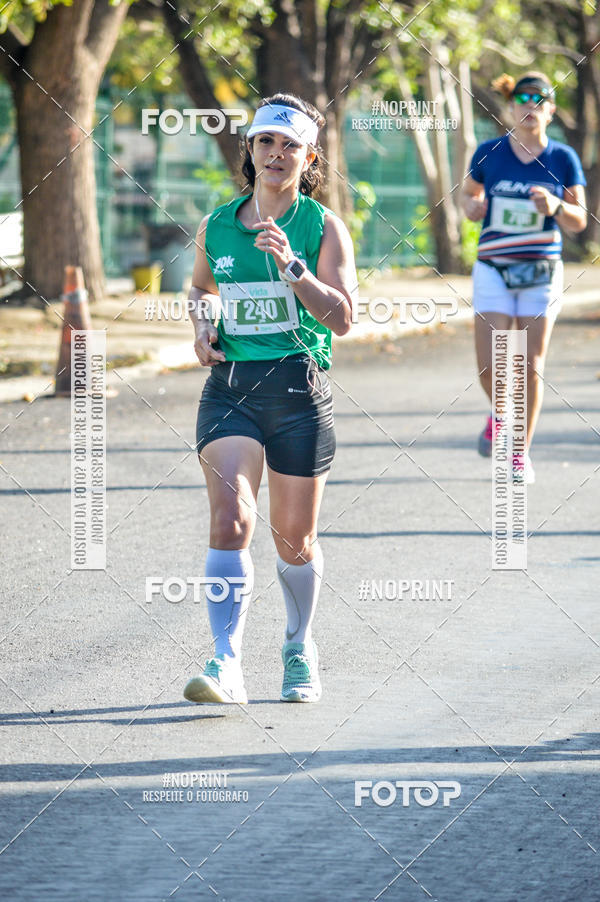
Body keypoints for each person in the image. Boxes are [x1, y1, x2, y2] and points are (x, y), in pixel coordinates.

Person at [183, 93, 357, 705]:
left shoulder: (323, 226)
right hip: (230, 391)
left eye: (290, 146)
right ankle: (226, 663)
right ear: (250, 150)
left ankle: (297, 644)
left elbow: (342, 317)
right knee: (231, 523)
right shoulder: (218, 224)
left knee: (293, 539)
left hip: (297, 391)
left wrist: (293, 268)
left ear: (308, 158)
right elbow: (202, 288)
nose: (276, 154)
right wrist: (202, 327)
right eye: (266, 142)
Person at [461, 71, 587, 483]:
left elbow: (579, 220)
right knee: (492, 364)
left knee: (530, 364)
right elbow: (468, 195)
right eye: (521, 98)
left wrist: (553, 204)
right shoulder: (488, 152)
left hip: (540, 271)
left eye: (538, 99)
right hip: (493, 269)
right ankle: (499, 413)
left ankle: (519, 453)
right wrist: (472, 207)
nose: (529, 105)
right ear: (511, 106)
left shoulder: (563, 159)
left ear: (550, 110)